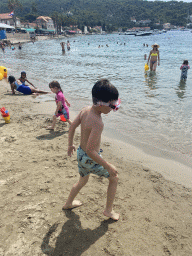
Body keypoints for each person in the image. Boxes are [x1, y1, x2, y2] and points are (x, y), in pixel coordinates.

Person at [62, 79, 120, 221]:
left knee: (82, 181)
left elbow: (72, 127)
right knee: (114, 177)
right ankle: (108, 211)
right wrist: (108, 165)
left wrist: (70, 145)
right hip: (88, 157)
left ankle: (68, 203)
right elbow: (91, 150)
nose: (113, 109)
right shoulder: (98, 122)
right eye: (113, 106)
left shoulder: (85, 110)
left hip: (80, 155)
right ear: (101, 104)